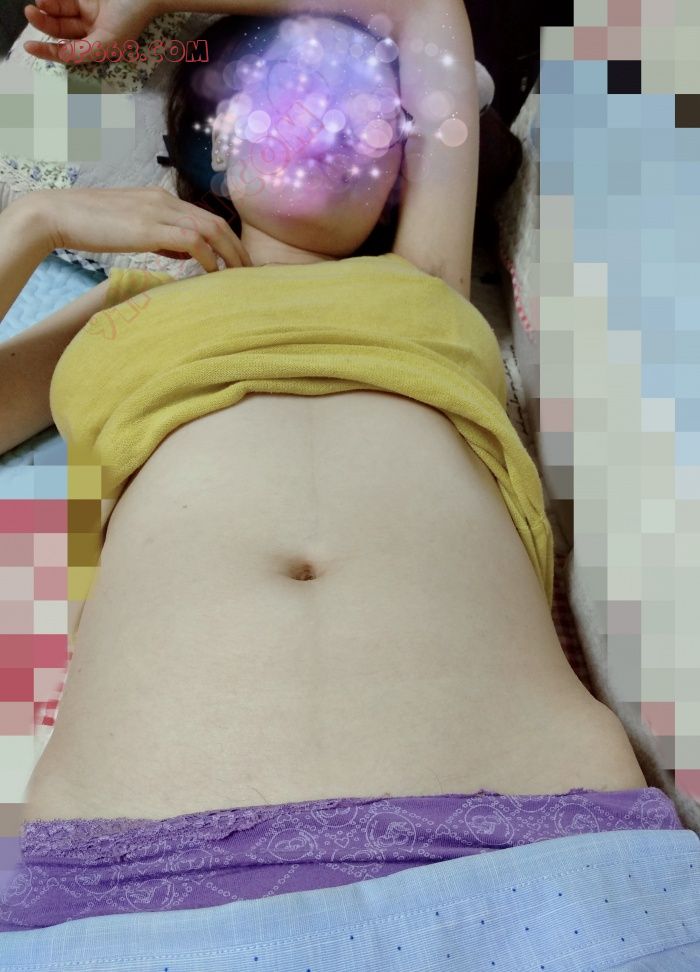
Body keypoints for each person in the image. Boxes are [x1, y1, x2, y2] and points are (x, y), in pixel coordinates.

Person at [0, 2, 695, 967]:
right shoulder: (125, 311)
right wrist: (31, 224)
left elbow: (424, 7)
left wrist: (150, 4)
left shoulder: (428, 273)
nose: (323, 109)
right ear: (214, 145)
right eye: (278, 86)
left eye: (366, 101)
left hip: (541, 856)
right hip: (133, 886)